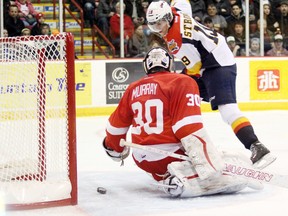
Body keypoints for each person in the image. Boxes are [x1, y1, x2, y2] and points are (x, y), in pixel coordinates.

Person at [103, 47, 262, 197]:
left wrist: (115, 149)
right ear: (170, 64)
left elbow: (114, 130)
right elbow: (188, 128)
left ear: (146, 66)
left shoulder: (132, 88)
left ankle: (168, 178)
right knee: (222, 164)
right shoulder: (182, 81)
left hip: (142, 159)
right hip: (171, 155)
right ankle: (183, 180)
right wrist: (207, 163)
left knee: (165, 169)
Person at [146, 0, 276, 169]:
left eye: (160, 23)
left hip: (217, 64)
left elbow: (194, 67)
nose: (158, 28)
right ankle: (178, 143)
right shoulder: (177, 12)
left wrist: (189, 85)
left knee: (227, 110)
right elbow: (183, 2)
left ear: (168, 17)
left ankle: (257, 146)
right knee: (178, 93)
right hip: (212, 56)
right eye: (154, 25)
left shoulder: (177, 41)